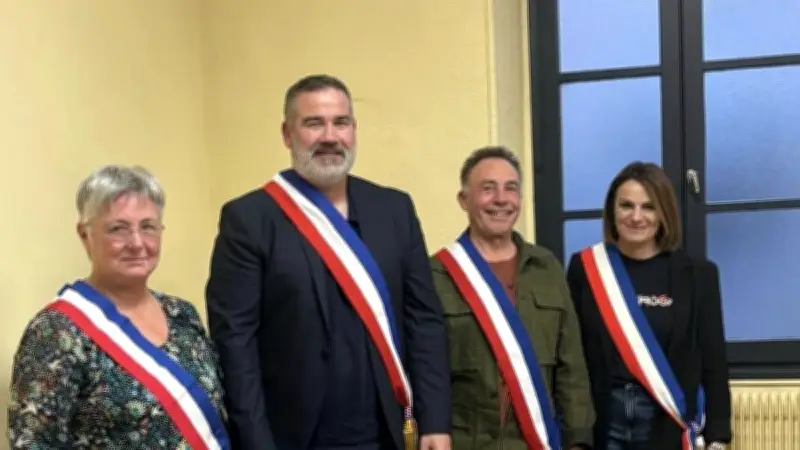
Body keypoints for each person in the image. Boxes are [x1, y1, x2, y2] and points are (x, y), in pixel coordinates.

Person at [205, 74, 451, 450]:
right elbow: (235, 344)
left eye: (341, 122)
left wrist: (435, 422)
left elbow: (424, 322)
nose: (330, 137)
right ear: (287, 134)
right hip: (295, 437)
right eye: (314, 123)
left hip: (389, 432)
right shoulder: (249, 219)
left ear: (354, 129)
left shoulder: (394, 209)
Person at [7, 165, 230, 449]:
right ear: (85, 235)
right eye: (118, 229)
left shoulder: (181, 314)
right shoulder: (56, 332)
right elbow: (34, 443)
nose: (137, 243)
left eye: (148, 227)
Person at [430, 146, 595, 449]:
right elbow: (426, 372)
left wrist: (578, 440)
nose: (501, 199)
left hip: (537, 441)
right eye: (487, 188)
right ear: (464, 200)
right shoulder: (436, 274)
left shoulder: (546, 267)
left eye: (511, 188)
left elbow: (571, 367)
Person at [566, 162, 732, 450]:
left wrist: (718, 435)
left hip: (667, 422)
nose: (636, 217)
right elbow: (570, 356)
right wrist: (574, 433)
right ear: (612, 211)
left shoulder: (698, 275)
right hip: (603, 420)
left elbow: (713, 359)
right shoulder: (586, 268)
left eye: (648, 207)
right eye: (626, 206)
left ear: (664, 212)